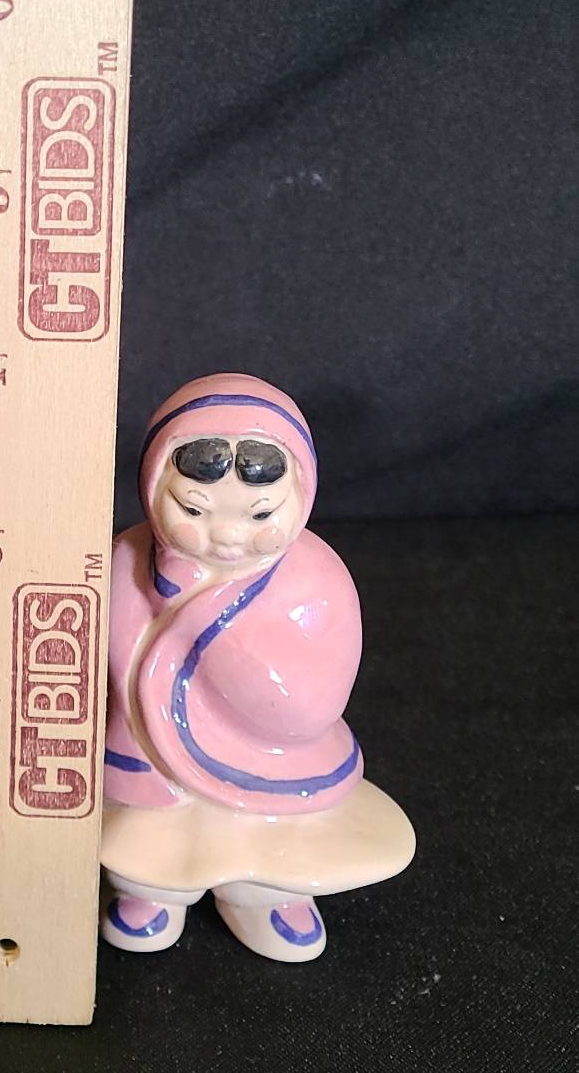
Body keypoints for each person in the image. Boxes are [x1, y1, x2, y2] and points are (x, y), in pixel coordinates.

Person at [102, 373, 413, 963]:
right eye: (193, 509)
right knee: (146, 834)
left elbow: (314, 700)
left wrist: (201, 634)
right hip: (149, 754)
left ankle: (264, 897)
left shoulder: (317, 579)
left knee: (275, 836)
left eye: (260, 513)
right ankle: (153, 894)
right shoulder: (127, 560)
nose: (226, 535)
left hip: (274, 758)